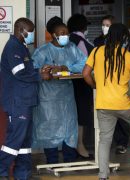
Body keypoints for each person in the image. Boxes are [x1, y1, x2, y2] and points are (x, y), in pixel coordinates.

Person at [82, 23, 130, 180]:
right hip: (126, 105)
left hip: (104, 104)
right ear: (123, 38)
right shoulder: (129, 56)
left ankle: (103, 175)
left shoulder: (97, 52)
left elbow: (85, 73)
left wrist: (96, 86)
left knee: (104, 140)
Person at [0, 17, 52, 179]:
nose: (32, 35)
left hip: (25, 100)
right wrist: (40, 76)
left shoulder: (21, 47)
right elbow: (19, 72)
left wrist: (39, 70)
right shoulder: (13, 47)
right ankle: (1, 172)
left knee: (24, 142)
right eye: (30, 32)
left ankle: (23, 174)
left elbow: (26, 68)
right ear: (20, 30)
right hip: (17, 102)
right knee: (14, 140)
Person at [31, 16, 86, 164]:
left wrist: (67, 68)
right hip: (48, 98)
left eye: (66, 33)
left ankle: (69, 159)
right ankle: (52, 161)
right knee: (50, 127)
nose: (65, 36)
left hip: (67, 96)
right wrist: (45, 72)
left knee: (69, 127)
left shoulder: (72, 48)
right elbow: (33, 69)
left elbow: (85, 63)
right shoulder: (42, 51)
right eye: (61, 33)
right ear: (54, 35)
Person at [67, 13, 95, 159]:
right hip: (81, 83)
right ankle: (80, 146)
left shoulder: (71, 39)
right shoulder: (79, 41)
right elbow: (85, 64)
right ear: (83, 27)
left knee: (74, 114)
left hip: (70, 83)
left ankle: (75, 147)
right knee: (82, 114)